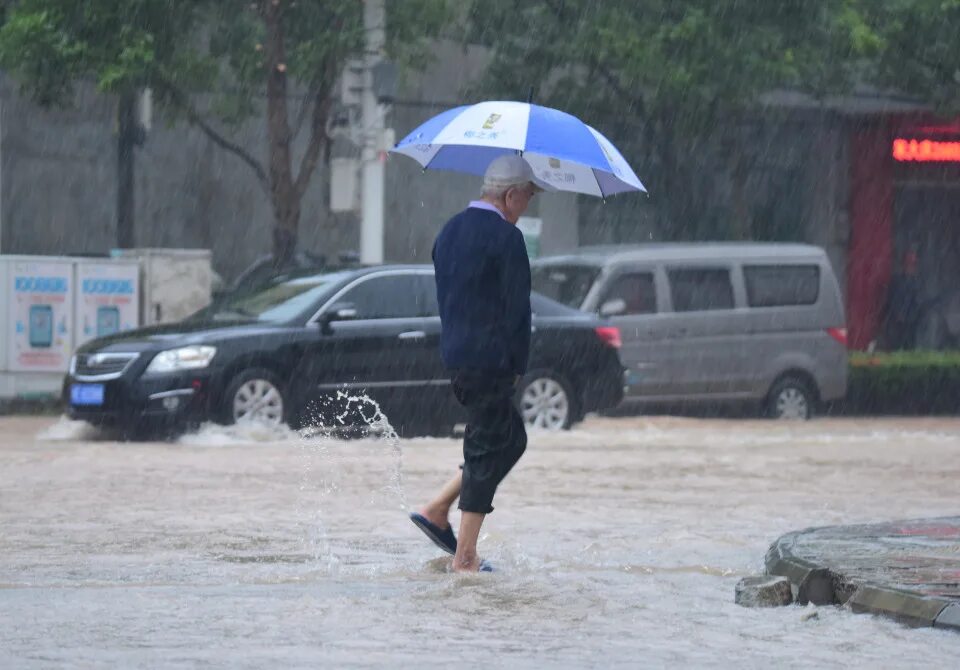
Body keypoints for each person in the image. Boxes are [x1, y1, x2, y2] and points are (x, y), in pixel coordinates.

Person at [409, 154, 553, 572]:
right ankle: (465, 557)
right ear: (510, 195)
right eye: (526, 198)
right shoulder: (507, 239)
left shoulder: (449, 231)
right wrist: (516, 365)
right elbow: (516, 310)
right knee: (489, 445)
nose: (526, 206)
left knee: (509, 441)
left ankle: (438, 507)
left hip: (457, 357)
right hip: (491, 362)